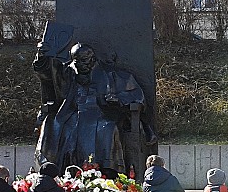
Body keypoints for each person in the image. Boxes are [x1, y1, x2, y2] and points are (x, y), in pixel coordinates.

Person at [34, 40, 150, 177]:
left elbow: (136, 96)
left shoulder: (111, 75)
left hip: (101, 113)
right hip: (71, 113)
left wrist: (118, 99)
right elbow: (47, 74)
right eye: (76, 61)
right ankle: (56, 171)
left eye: (83, 60)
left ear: (92, 59)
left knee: (107, 128)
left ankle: (107, 171)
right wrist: (42, 56)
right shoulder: (68, 72)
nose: (79, 65)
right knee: (54, 125)